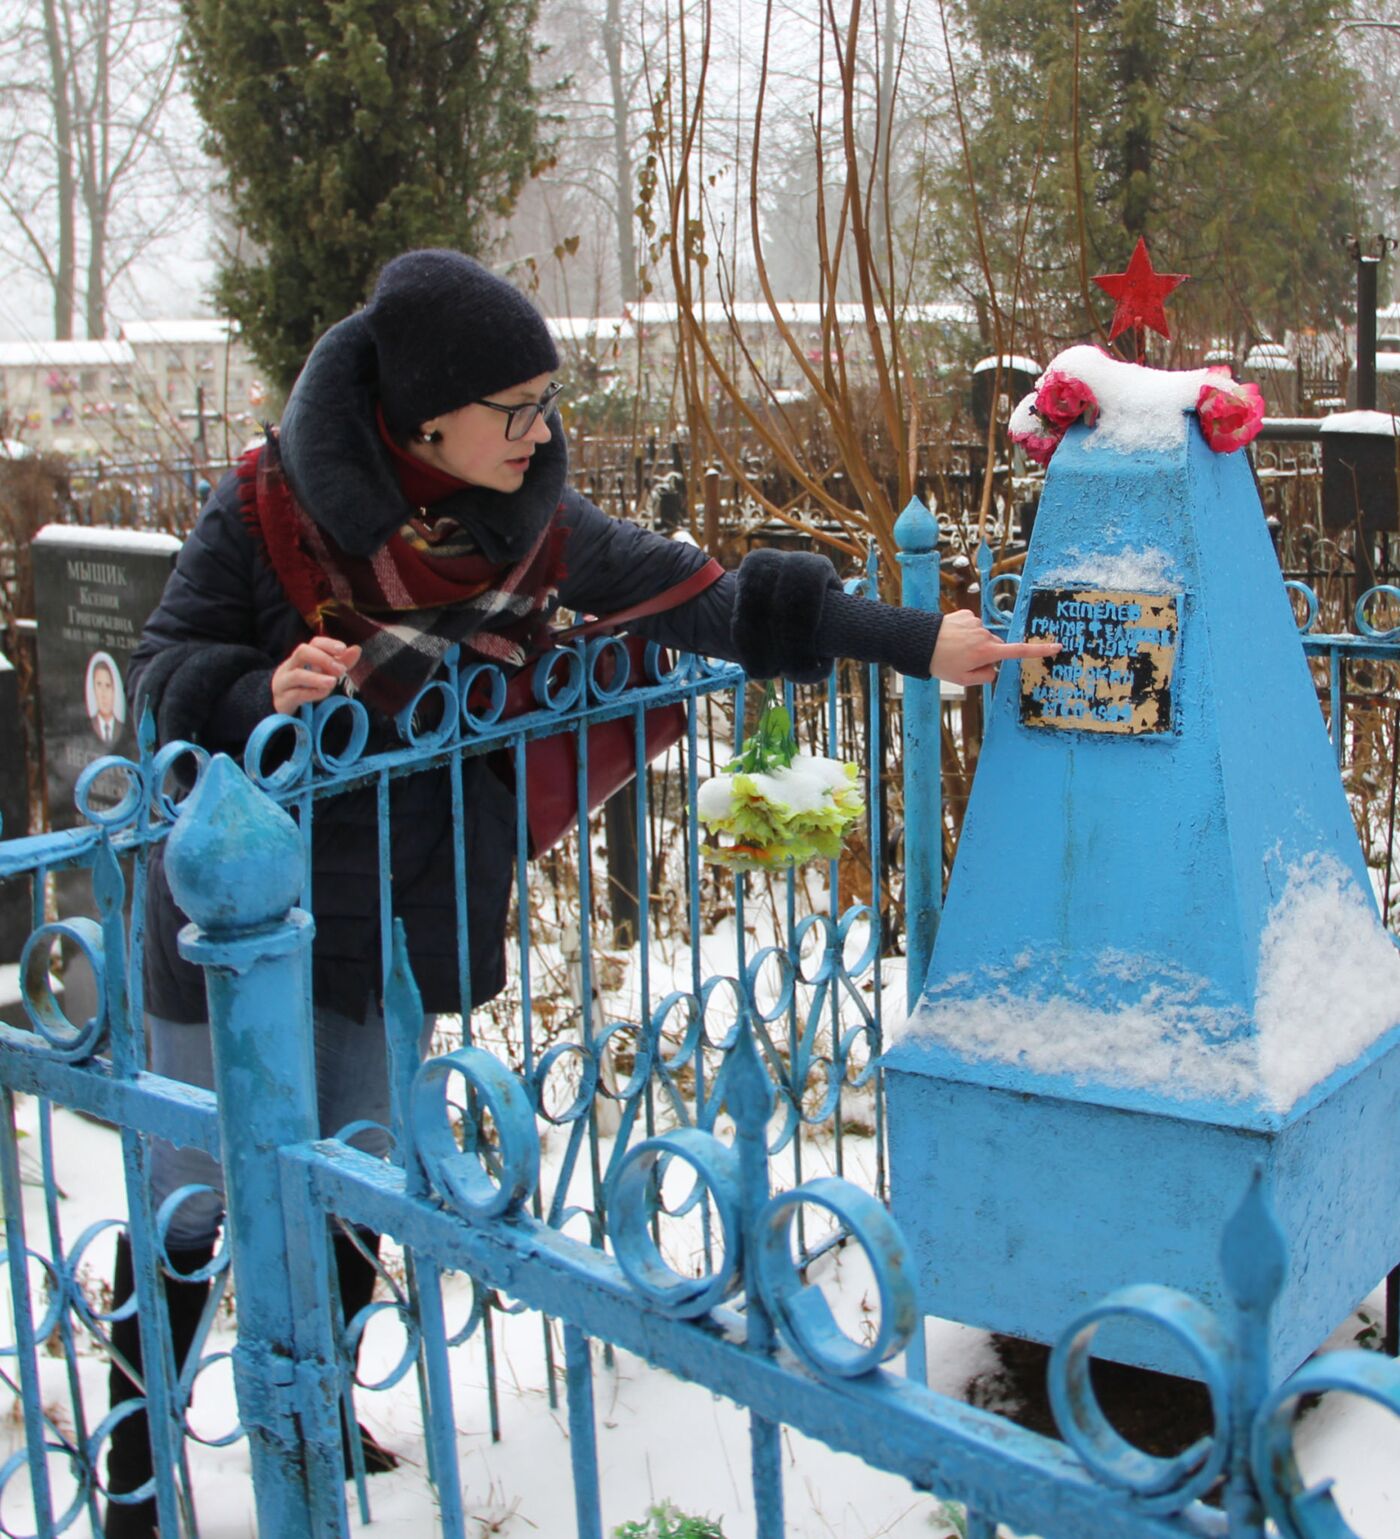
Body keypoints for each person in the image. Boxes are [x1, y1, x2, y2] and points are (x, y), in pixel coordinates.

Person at [105, 249, 1056, 1536]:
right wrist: (252, 691)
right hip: (225, 918)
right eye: (518, 410)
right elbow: (165, 664)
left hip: (387, 905)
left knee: (359, 1180)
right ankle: (135, 1470)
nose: (543, 433)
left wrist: (913, 641)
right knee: (191, 1204)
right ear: (425, 417)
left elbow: (711, 602)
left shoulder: (531, 528)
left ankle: (312, 1417)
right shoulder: (267, 508)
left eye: (548, 402)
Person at [87, 652, 124, 745]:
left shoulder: (121, 727)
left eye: (108, 686)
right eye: (99, 685)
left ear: (114, 690)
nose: (103, 694)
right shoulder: (89, 725)